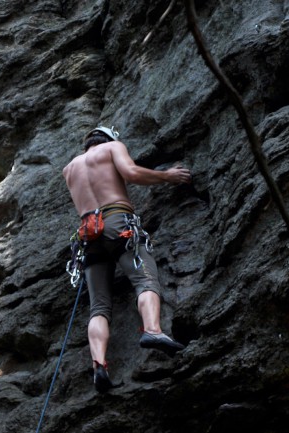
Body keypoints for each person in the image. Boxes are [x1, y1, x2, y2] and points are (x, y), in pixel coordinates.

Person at [62, 126, 191, 393]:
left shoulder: (70, 169)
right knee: (145, 279)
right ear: (109, 139)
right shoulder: (112, 148)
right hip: (117, 222)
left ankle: (99, 365)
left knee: (98, 307)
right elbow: (131, 173)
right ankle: (153, 330)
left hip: (88, 236)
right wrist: (166, 176)